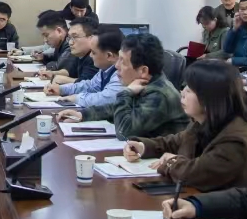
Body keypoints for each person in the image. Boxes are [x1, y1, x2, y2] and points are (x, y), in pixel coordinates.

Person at [121, 60, 247, 191]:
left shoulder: (236, 138)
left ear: (210, 98)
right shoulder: (203, 121)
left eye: (189, 90)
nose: (182, 93)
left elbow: (196, 174)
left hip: (229, 209)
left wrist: (171, 162)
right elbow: (175, 142)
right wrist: (142, 146)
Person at [58, 33, 190, 140]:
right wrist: (81, 115)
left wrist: (125, 93)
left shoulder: (159, 94)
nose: (117, 66)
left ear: (143, 71)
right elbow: (113, 108)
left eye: (123, 62)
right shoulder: (145, 83)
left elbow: (124, 132)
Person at [45, 29, 123, 109]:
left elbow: (106, 99)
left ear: (109, 56)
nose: (90, 55)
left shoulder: (120, 73)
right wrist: (61, 89)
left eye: (93, 52)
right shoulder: (105, 69)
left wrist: (76, 98)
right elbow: (90, 86)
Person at [47, 17, 100, 84]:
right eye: (69, 37)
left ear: (91, 38)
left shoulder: (95, 57)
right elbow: (70, 72)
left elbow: (89, 85)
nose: (70, 43)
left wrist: (65, 80)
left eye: (75, 37)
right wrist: (52, 74)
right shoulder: (80, 54)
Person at [221, 0, 247, 67]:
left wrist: (234, 61)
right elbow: (227, 49)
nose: (245, 12)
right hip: (236, 68)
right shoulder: (239, 27)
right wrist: (234, 29)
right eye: (242, 9)